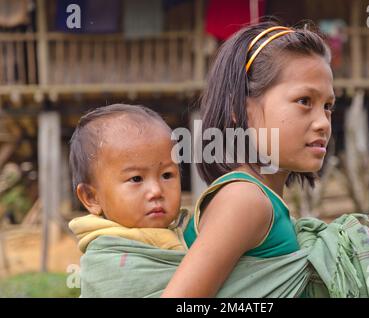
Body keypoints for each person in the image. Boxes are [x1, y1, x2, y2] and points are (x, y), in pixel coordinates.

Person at [162, 21, 336, 297]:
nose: (323, 123)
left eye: (328, 106)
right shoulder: (245, 200)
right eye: (304, 101)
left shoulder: (265, 202)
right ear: (239, 109)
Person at [69, 104, 186, 254]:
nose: (156, 191)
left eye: (167, 175)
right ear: (92, 197)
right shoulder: (109, 253)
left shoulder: (192, 230)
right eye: (136, 179)